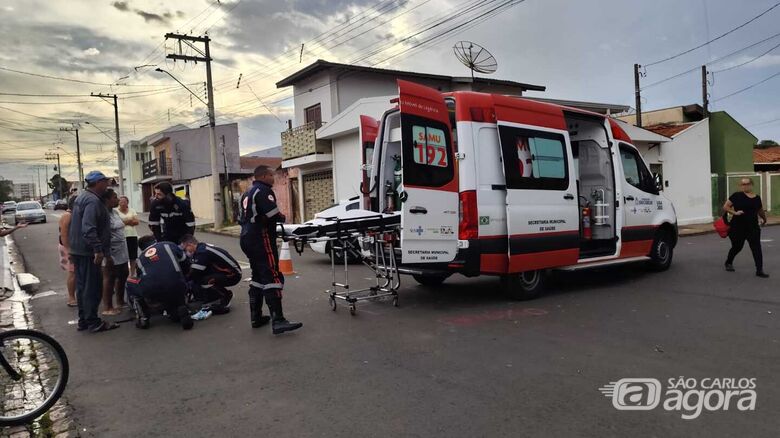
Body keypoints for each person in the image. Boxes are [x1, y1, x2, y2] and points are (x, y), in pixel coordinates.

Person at [239, 165, 302, 334]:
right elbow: (273, 214)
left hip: (247, 237)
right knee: (272, 275)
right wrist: (282, 217)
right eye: (271, 175)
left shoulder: (248, 193)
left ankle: (256, 316)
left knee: (258, 276)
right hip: (261, 237)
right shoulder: (263, 190)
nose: (273, 178)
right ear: (265, 176)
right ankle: (278, 320)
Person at [69, 171, 118, 333]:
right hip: (88, 251)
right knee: (92, 287)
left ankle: (84, 320)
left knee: (83, 287)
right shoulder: (92, 201)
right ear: (98, 183)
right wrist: (98, 249)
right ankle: (93, 321)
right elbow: (89, 228)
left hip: (79, 250)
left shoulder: (82, 197)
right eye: (104, 182)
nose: (106, 185)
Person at [127, 235, 193, 330]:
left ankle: (143, 317)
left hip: (154, 291)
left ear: (141, 248)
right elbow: (185, 261)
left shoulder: (139, 259)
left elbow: (140, 278)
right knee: (177, 276)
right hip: (177, 285)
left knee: (130, 282)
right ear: (155, 241)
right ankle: (182, 303)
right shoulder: (169, 245)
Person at [180, 234, 238, 314]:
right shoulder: (201, 248)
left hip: (232, 274)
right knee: (198, 278)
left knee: (204, 280)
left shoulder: (202, 252)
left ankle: (226, 295)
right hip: (224, 271)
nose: (185, 251)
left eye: (185, 248)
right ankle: (211, 296)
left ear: (190, 245)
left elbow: (194, 272)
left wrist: (181, 281)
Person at [723, 178, 769, 278]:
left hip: (753, 227)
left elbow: (760, 210)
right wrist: (735, 212)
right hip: (737, 227)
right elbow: (726, 207)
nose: (745, 186)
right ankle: (729, 262)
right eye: (742, 184)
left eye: (747, 184)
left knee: (756, 248)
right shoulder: (736, 196)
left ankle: (759, 270)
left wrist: (764, 219)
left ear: (751, 184)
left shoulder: (757, 198)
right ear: (740, 186)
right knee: (737, 247)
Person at [100, 189, 129, 316]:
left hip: (121, 247)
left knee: (123, 273)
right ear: (107, 200)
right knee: (110, 276)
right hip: (110, 249)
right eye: (115, 197)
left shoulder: (114, 212)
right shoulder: (102, 213)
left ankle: (120, 301)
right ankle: (108, 306)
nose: (117, 200)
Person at [57, 196, 77, 307]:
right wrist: (69, 250)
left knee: (75, 271)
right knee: (72, 272)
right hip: (67, 247)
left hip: (71, 247)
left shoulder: (72, 215)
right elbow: (64, 234)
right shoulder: (67, 216)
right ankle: (71, 298)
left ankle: (74, 295)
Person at [117, 195, 140, 277]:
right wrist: (130, 220)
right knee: (123, 256)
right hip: (121, 236)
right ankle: (125, 273)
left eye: (124, 201)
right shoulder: (115, 211)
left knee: (133, 255)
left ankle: (132, 273)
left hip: (132, 235)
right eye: (121, 201)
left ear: (127, 202)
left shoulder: (132, 210)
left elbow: (137, 222)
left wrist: (123, 221)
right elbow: (117, 223)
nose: (123, 203)